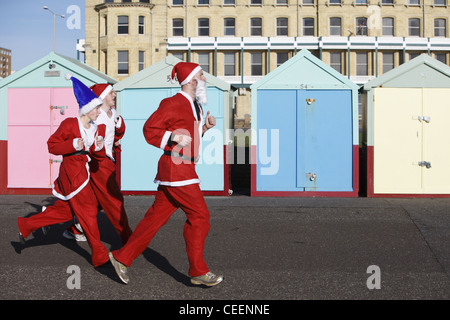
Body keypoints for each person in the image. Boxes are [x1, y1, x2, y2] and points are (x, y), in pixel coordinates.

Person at [108, 62, 223, 286]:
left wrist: (204, 129)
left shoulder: (195, 105)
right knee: (200, 216)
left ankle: (122, 258)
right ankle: (198, 271)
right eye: (201, 75)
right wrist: (173, 137)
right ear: (190, 80)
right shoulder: (172, 103)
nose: (205, 79)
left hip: (184, 167)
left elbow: (190, 135)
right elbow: (149, 129)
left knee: (154, 220)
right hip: (176, 169)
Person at [17, 74, 110, 268]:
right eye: (97, 108)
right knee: (88, 213)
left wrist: (99, 147)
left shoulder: (95, 128)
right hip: (72, 173)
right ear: (87, 108)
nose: (99, 111)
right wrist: (73, 144)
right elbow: (52, 146)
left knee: (66, 212)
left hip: (84, 172)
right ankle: (100, 255)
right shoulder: (69, 124)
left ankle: (27, 225)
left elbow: (97, 157)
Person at [63, 83, 132, 245]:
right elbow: (92, 141)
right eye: (111, 93)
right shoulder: (97, 117)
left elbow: (116, 134)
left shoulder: (113, 113)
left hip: (108, 160)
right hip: (100, 162)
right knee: (114, 199)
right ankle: (127, 237)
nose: (114, 95)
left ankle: (73, 225)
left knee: (97, 200)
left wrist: (120, 127)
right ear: (102, 97)